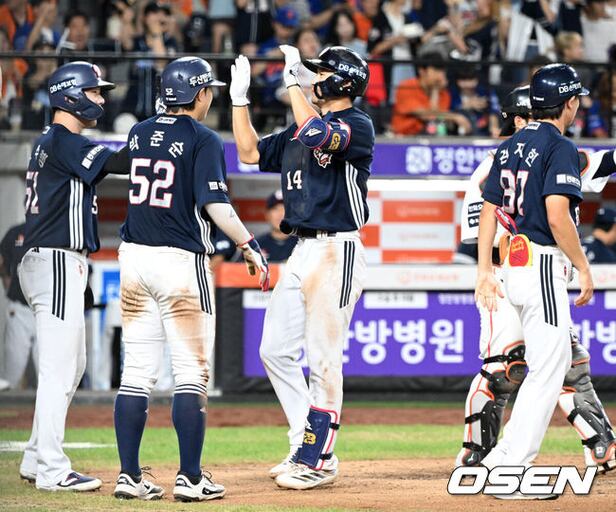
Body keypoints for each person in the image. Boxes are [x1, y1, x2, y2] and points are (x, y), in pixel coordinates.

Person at [113, 56, 268, 502]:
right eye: (209, 91)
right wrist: (247, 243)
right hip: (180, 261)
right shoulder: (202, 138)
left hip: (134, 257)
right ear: (199, 94)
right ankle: (191, 477)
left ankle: (129, 476)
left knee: (136, 373)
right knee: (191, 374)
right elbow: (216, 205)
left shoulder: (139, 131)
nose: (210, 97)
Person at [230, 44, 373, 490]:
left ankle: (319, 459)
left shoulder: (357, 124)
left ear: (344, 81)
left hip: (338, 249)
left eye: (321, 72)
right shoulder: (298, 127)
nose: (313, 77)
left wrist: (293, 83)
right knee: (274, 350)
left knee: (324, 359)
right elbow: (248, 152)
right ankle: (302, 443)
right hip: (302, 249)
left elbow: (317, 134)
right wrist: (239, 99)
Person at [457, 85, 616, 474]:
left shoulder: (553, 151)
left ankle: (601, 446)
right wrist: (488, 271)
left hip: (533, 271)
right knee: (506, 367)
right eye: (529, 115)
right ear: (516, 119)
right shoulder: (495, 164)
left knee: (567, 361)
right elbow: (482, 231)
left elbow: (601, 163)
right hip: (507, 273)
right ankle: (479, 455)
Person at [475, 63, 594, 499]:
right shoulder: (559, 145)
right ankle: (512, 470)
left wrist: (483, 270)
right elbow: (558, 215)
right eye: (576, 99)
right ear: (568, 102)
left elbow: (489, 211)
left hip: (513, 266)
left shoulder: (509, 145)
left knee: (545, 368)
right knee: (548, 369)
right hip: (543, 263)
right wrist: (583, 266)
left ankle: (499, 460)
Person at [18, 61, 130, 491]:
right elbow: (119, 160)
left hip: (54, 260)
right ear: (71, 94)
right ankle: (51, 468)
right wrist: (154, 133)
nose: (100, 99)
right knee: (60, 369)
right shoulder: (64, 140)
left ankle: (35, 457)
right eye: (95, 91)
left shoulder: (52, 140)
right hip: (57, 260)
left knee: (72, 365)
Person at [391, 52, 471, 136]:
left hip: (431, 136)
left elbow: (437, 118)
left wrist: (435, 91)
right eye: (436, 70)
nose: (440, 75)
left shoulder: (443, 92)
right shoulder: (407, 86)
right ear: (422, 71)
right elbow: (427, 116)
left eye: (442, 71)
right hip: (406, 137)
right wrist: (455, 117)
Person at [1, 222, 37, 389]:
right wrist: (7, 284)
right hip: (20, 307)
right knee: (12, 369)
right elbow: (2, 261)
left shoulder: (52, 230)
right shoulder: (15, 232)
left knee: (46, 370)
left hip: (45, 310)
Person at [256, 190, 298, 262]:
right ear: (267, 215)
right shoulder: (257, 245)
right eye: (275, 209)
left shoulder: (303, 245)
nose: (280, 214)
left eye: (284, 209)